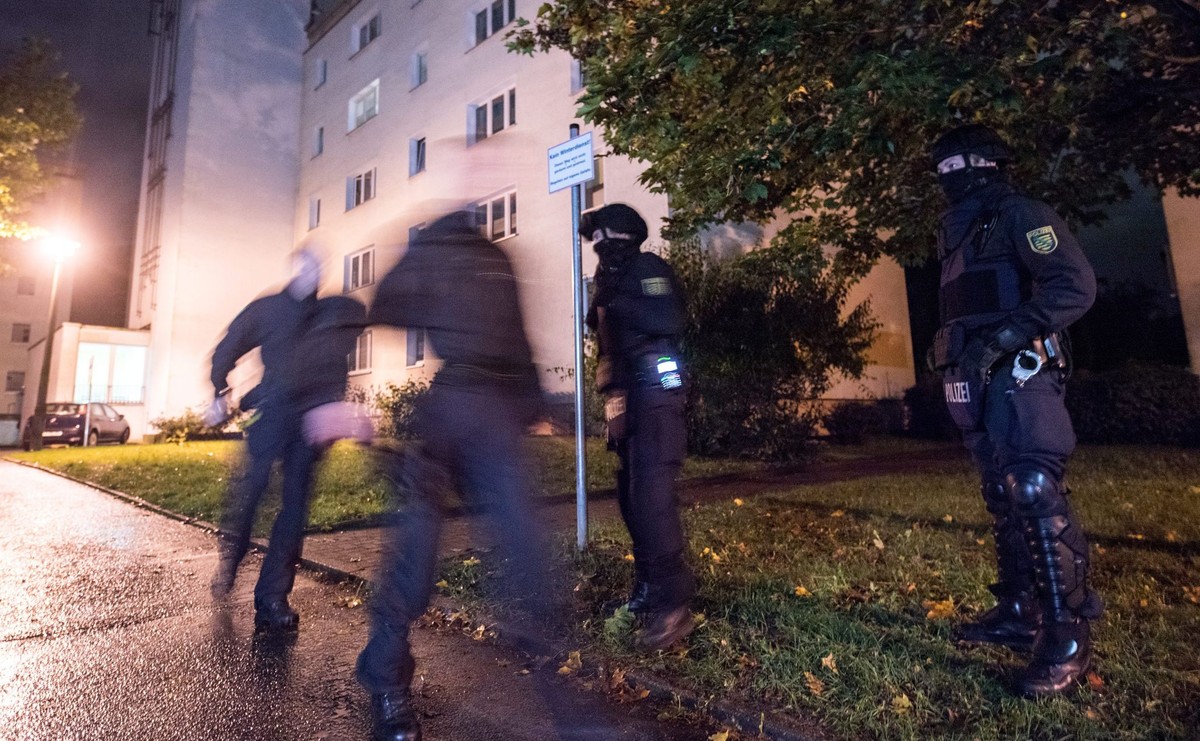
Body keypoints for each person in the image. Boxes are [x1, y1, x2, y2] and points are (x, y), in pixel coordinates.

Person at [355, 209, 549, 741]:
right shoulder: (435, 249)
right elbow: (388, 304)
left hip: (498, 417)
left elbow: (519, 337)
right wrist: (426, 261)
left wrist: (533, 400)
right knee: (415, 552)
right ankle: (387, 679)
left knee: (526, 553)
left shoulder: (498, 257)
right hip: (448, 414)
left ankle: (566, 706)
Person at [928, 124, 1103, 697]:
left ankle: (1067, 636)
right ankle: (1018, 610)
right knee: (1000, 493)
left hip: (1019, 370)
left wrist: (1005, 337)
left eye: (963, 163)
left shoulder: (1021, 214)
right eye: (943, 167)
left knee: (1032, 485)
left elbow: (1073, 286)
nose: (951, 175)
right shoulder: (956, 232)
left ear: (992, 162)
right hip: (972, 378)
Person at [207, 248, 366, 633]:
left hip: (311, 420)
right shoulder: (268, 309)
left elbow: (345, 343)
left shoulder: (335, 312)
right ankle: (233, 556)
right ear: (294, 269)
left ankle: (272, 599)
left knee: (294, 508)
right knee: (252, 490)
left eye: (320, 268)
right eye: (307, 267)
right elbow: (229, 345)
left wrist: (334, 409)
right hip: (273, 412)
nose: (315, 274)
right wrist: (219, 389)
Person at [580, 203, 696, 651]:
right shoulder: (609, 279)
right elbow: (600, 328)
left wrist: (613, 299)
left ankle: (673, 605)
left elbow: (664, 318)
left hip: (657, 390)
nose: (599, 247)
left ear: (623, 236)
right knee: (631, 496)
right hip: (626, 398)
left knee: (652, 496)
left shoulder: (649, 268)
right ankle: (650, 589)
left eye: (604, 238)